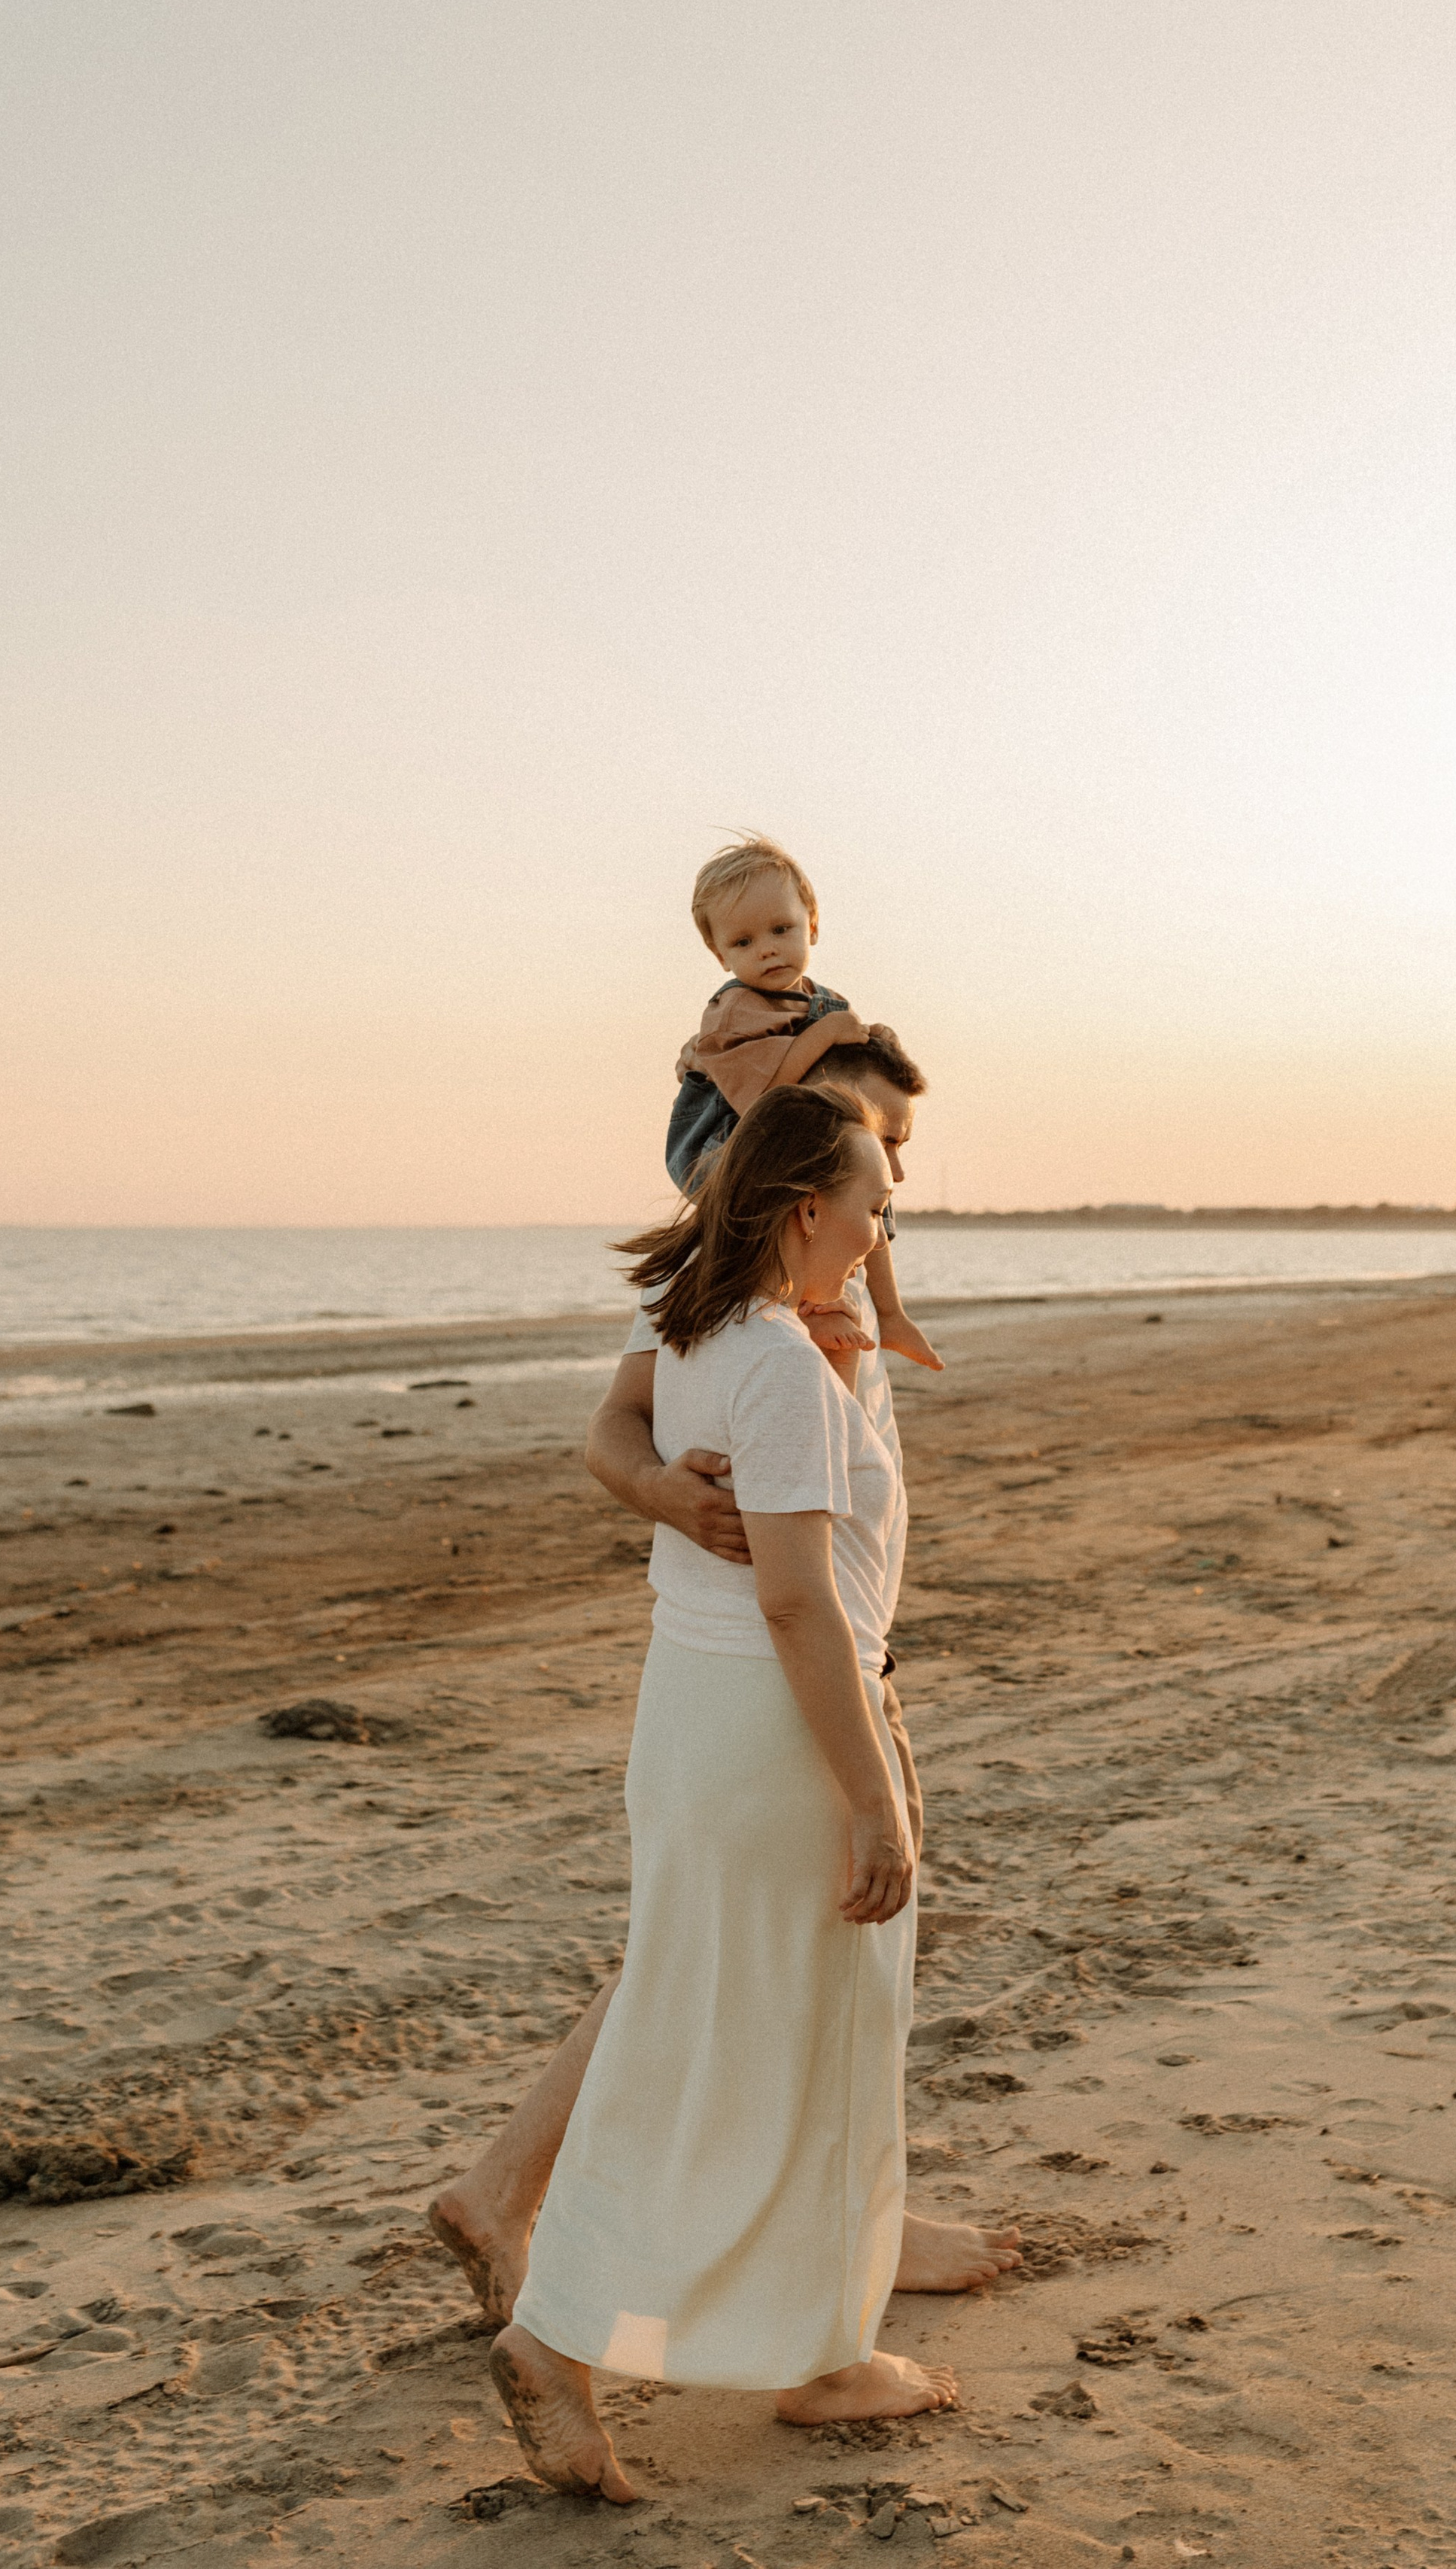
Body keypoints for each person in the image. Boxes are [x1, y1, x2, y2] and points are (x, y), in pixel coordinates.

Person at [428, 1030, 1020, 2343]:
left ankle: (831, 2223)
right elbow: (615, 1428)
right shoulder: (730, 1288)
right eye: (880, 1151)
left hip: (830, 1643)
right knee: (755, 1958)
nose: (897, 1185)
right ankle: (537, 2206)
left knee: (772, 1954)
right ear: (804, 1151)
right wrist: (666, 1501)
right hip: (788, 1657)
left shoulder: (830, 1286)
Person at [665, 835, 941, 1372]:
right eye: (743, 942)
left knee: (869, 1185)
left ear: (812, 923)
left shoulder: (824, 1001)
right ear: (719, 954)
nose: (767, 948)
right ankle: (812, 1300)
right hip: (723, 1150)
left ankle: (892, 1312)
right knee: (787, 1205)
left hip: (783, 1138)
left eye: (781, 929)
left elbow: (844, 1067)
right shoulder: (733, 1011)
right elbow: (765, 1101)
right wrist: (824, 1037)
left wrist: (869, 1036)